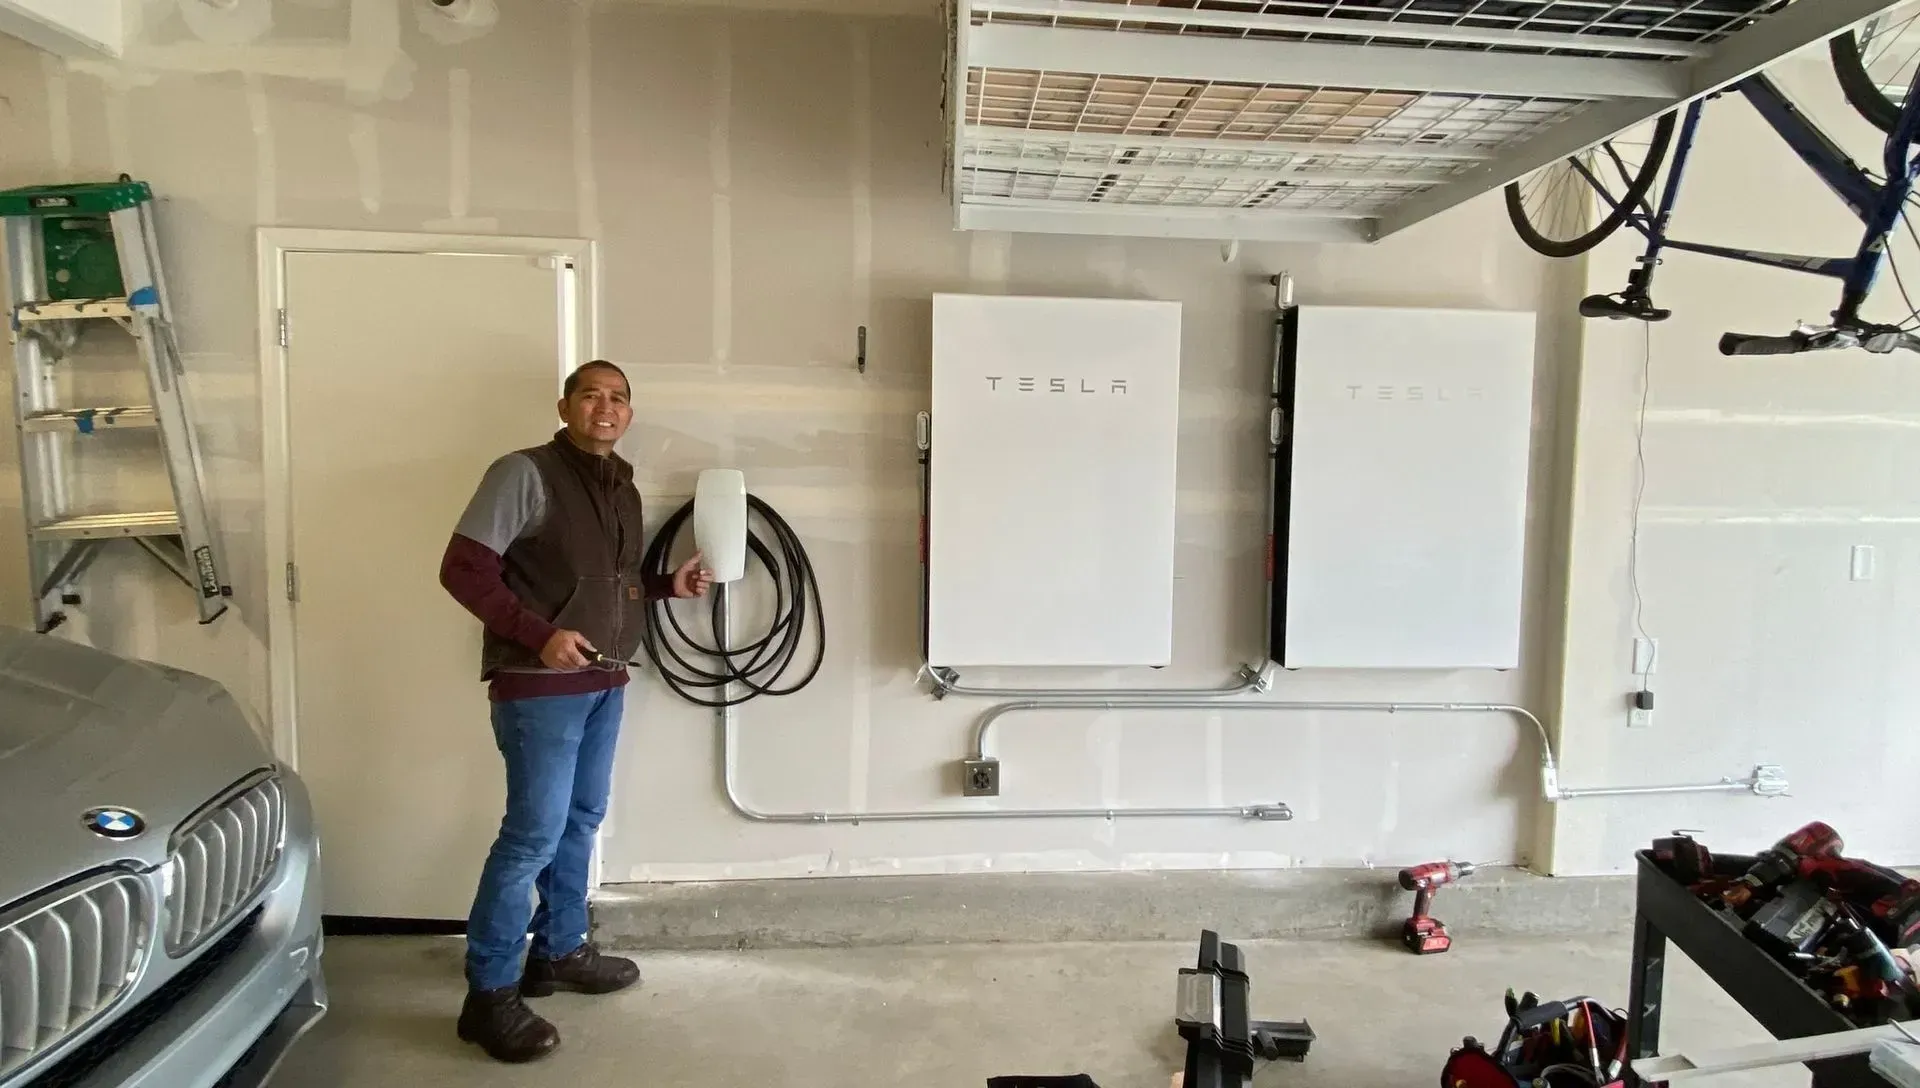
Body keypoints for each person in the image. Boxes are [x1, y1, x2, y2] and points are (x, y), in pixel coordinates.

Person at [439, 359, 712, 1063]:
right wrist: (539, 636)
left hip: (606, 679)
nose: (606, 406)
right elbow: (463, 568)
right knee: (531, 834)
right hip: (537, 682)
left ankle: (559, 949)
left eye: (619, 397)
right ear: (564, 406)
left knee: (581, 820)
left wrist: (662, 585)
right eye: (591, 393)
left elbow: (602, 583)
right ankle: (489, 994)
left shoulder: (621, 485)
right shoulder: (522, 472)